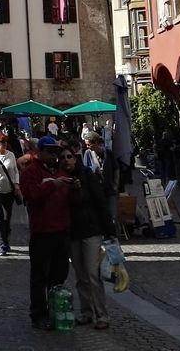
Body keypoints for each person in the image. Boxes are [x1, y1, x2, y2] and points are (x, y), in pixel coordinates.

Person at [20, 135, 77, 330]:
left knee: (59, 275)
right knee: (39, 276)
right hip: (42, 230)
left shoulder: (61, 170)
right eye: (50, 152)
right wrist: (53, 184)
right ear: (39, 152)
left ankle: (56, 310)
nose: (54, 155)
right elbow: (32, 195)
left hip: (62, 229)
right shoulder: (30, 172)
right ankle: (38, 314)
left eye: (56, 152)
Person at [63, 138, 112, 329]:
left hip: (91, 230)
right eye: (63, 158)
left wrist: (110, 230)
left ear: (75, 159)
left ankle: (102, 315)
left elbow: (100, 202)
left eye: (69, 157)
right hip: (73, 232)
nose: (66, 160)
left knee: (92, 274)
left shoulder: (87, 175)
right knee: (80, 275)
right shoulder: (61, 179)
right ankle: (85, 312)